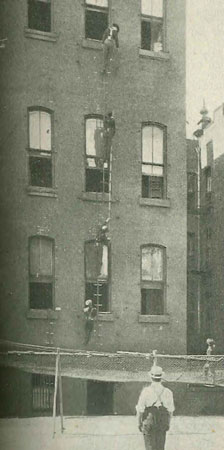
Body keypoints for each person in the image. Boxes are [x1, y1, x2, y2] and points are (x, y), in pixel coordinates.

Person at [136, 365, 174, 450]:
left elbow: (140, 410)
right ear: (161, 377)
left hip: (149, 419)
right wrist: (168, 423)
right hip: (162, 420)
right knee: (160, 447)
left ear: (151, 377)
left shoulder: (146, 391)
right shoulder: (168, 392)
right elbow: (170, 411)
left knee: (150, 446)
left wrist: (139, 423)